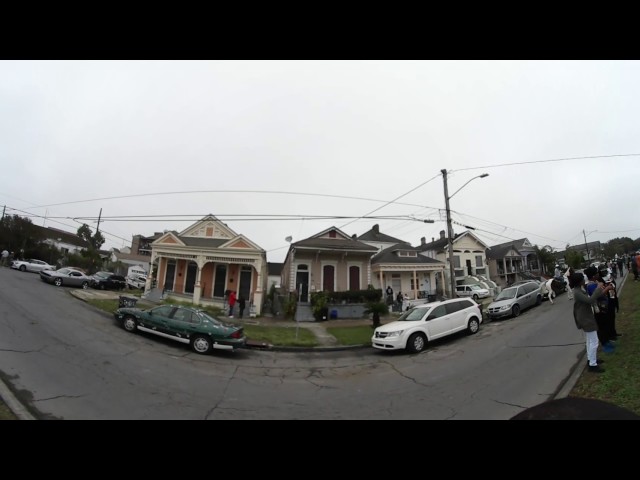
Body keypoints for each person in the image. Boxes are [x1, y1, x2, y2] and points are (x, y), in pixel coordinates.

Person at [570, 270, 613, 373]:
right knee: (594, 341)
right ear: (579, 281)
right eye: (582, 279)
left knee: (590, 341)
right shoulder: (577, 292)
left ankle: (591, 360)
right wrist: (598, 289)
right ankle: (592, 365)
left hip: (586, 316)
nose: (584, 280)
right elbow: (590, 300)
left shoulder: (579, 289)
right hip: (585, 318)